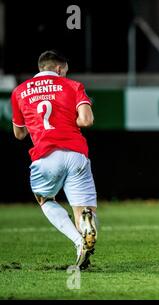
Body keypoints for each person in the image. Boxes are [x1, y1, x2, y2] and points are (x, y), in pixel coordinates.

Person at [11, 50, 98, 270]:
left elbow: (19, 134)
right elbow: (86, 121)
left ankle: (79, 242)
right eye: (65, 70)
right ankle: (86, 226)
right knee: (83, 209)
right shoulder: (73, 86)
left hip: (45, 156)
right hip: (76, 153)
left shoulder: (19, 92)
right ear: (59, 69)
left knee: (46, 199)